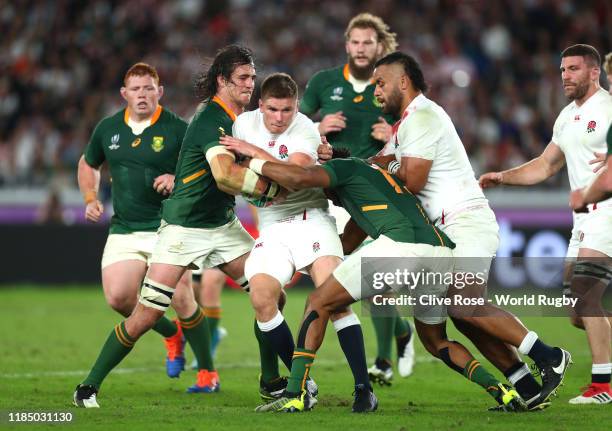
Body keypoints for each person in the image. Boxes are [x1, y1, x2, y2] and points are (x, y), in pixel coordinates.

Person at [243, 154, 540, 413]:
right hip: (439, 252)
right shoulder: (373, 185)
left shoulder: (343, 168)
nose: (328, 197)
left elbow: (302, 176)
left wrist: (251, 159)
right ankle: (502, 391)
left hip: (402, 246)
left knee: (318, 301)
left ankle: (294, 394)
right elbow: (345, 243)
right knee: (436, 341)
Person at [73, 46, 280, 408]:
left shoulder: (234, 119)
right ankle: (88, 387)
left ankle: (270, 381)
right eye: (244, 78)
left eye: (252, 75)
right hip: (183, 229)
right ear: (223, 81)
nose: (252, 83)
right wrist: (270, 190)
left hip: (222, 225)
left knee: (270, 293)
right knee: (144, 314)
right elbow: (225, 175)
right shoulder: (209, 119)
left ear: (159, 91)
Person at [371, 51, 572, 409]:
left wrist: (379, 170)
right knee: (442, 331)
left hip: (463, 220)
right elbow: (382, 166)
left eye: (380, 82)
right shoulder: (405, 127)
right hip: (439, 235)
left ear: (403, 81)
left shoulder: (424, 116)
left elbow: (412, 181)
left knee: (464, 304)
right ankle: (524, 385)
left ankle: (549, 355)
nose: (376, 90)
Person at [221, 72, 370, 411]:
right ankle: (300, 382)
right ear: (261, 105)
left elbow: (295, 177)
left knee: (335, 299)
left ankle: (363, 388)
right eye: (272, 110)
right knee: (261, 299)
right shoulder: (243, 124)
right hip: (272, 226)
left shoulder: (305, 129)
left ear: (296, 107)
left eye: (286, 110)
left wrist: (251, 154)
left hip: (312, 219)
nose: (279, 118)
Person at [481, 44, 612, 405]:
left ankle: (604, 385)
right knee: (577, 311)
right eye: (562, 70)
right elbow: (545, 164)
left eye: (573, 69)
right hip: (583, 218)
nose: (565, 76)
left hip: (608, 210)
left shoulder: (608, 109)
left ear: (593, 72)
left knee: (586, 292)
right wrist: (502, 177)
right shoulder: (567, 116)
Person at [301, 12, 414, 383]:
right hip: (332, 193)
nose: (361, 48)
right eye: (355, 41)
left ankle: (382, 362)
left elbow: (416, 134)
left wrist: (393, 134)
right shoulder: (324, 83)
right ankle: (400, 331)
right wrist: (318, 127)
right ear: (346, 45)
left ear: (381, 46)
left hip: (375, 192)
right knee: (350, 278)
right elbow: (291, 129)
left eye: (368, 42)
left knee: (372, 279)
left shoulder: (392, 85)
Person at [75, 62, 199, 387]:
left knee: (183, 297)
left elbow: (200, 168)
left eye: (148, 88)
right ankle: (172, 335)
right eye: (135, 89)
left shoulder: (177, 129)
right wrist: (90, 197)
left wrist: (177, 178)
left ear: (160, 91)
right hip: (125, 228)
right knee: (118, 298)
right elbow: (88, 164)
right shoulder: (108, 129)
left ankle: (207, 373)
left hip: (168, 228)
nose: (142, 94)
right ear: (124, 93)